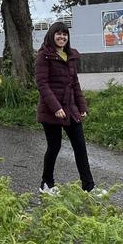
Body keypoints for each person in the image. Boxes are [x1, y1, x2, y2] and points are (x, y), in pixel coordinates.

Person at [34, 22, 97, 194]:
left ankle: (89, 187)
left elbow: (74, 84)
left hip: (70, 109)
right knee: (54, 147)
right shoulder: (44, 56)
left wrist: (82, 105)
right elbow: (42, 84)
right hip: (51, 111)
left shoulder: (69, 56)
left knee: (80, 147)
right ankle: (46, 184)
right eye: (58, 34)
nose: (62, 37)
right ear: (51, 35)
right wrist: (55, 107)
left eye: (65, 34)